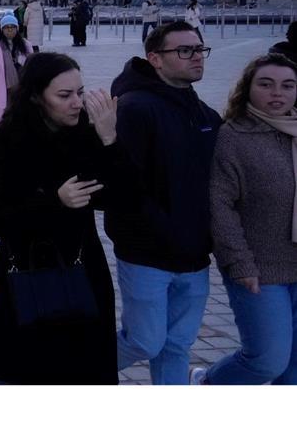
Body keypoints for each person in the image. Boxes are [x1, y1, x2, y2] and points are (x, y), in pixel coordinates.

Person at [0, 53, 130, 384]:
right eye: (64, 95)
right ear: (36, 95)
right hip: (28, 275)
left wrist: (110, 141)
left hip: (83, 271)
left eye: (80, 92)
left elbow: (121, 196)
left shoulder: (85, 137)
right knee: (26, 373)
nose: (77, 103)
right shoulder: (4, 142)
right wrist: (54, 202)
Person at [109, 21, 223, 384]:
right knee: (144, 341)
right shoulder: (134, 109)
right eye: (184, 51)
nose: (196, 58)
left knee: (176, 346)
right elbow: (125, 186)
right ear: (155, 58)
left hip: (194, 257)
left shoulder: (206, 115)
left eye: (199, 50)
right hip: (147, 254)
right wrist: (159, 229)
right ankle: (63, 371)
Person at [191, 54, 297, 385]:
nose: (277, 93)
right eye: (266, 84)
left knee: (293, 371)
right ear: (247, 88)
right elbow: (220, 206)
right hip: (260, 268)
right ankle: (207, 382)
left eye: (288, 86)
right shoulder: (233, 137)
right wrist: (240, 264)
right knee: (267, 361)